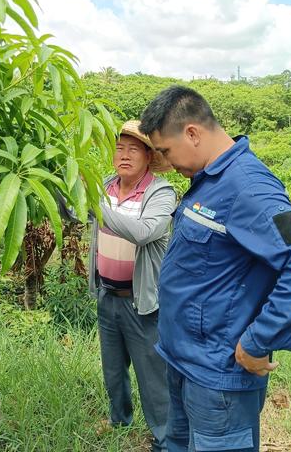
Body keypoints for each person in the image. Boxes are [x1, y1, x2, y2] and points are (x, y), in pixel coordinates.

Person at [138, 86, 291, 452]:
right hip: (184, 361)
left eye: (165, 150)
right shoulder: (208, 181)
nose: (165, 161)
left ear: (193, 133)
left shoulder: (251, 189)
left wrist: (258, 341)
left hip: (218, 379)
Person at [88, 120, 176, 451]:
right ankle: (119, 420)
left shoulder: (161, 193)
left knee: (152, 377)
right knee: (113, 370)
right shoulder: (106, 187)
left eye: (133, 149)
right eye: (119, 148)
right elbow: (73, 212)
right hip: (107, 295)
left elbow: (144, 232)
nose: (123, 155)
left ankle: (164, 438)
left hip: (142, 301)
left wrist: (94, 204)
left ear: (149, 157)